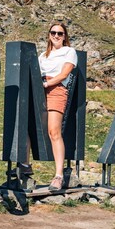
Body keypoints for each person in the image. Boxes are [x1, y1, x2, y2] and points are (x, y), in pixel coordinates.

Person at [39, 21, 78, 191]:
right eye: (53, 32)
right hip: (40, 88)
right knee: (32, 127)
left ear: (64, 37)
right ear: (49, 35)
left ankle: (58, 176)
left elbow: (64, 74)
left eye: (60, 33)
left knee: (54, 131)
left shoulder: (69, 52)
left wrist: (48, 85)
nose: (56, 36)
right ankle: (24, 168)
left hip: (56, 89)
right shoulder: (42, 56)